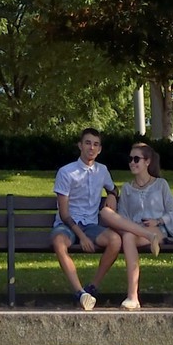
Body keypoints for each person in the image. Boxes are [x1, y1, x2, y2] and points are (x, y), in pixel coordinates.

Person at [100, 139, 173, 311]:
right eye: (130, 159)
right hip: (135, 231)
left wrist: (157, 221)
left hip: (158, 229)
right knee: (127, 234)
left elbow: (172, 213)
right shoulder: (127, 188)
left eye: (136, 159)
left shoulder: (161, 185)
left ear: (147, 162)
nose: (132, 163)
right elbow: (123, 216)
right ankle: (133, 297)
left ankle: (132, 296)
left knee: (129, 236)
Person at [51, 125, 123, 309]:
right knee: (59, 242)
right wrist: (81, 237)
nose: (91, 148)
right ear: (80, 146)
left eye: (96, 144)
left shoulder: (102, 170)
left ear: (99, 150)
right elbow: (64, 213)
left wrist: (113, 196)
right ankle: (79, 293)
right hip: (68, 225)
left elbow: (113, 187)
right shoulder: (66, 172)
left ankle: (92, 287)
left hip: (91, 225)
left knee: (115, 240)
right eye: (88, 143)